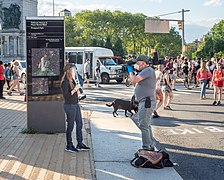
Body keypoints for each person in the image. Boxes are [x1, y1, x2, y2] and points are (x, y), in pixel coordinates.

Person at [126, 54, 157, 151]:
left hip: (147, 101)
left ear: (143, 63)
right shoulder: (145, 71)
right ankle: (151, 145)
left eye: (138, 63)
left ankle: (146, 148)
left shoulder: (148, 70)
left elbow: (134, 80)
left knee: (143, 125)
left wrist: (130, 70)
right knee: (146, 124)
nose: (136, 65)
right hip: (145, 101)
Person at [61, 63, 90, 152]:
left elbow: (74, 94)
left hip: (75, 104)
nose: (75, 71)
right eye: (73, 70)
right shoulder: (65, 82)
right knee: (70, 126)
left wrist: (78, 92)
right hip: (69, 106)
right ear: (68, 71)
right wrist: (74, 89)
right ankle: (69, 145)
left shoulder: (72, 80)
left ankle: (80, 143)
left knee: (79, 124)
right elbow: (66, 96)